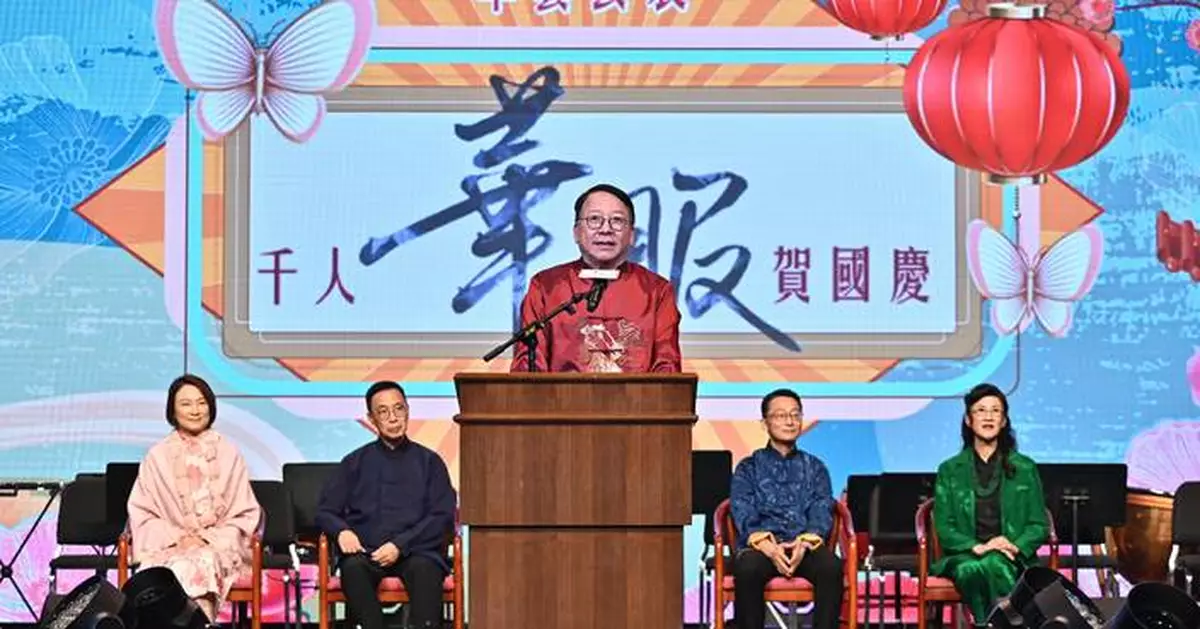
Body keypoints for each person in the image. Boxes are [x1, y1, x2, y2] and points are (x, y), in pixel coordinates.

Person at [316, 381, 457, 629]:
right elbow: (326, 511)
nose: (393, 418)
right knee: (353, 569)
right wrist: (342, 531)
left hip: (417, 550)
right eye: (383, 412)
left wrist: (400, 546)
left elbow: (441, 515)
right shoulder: (354, 463)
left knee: (426, 570)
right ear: (371, 419)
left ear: (408, 411)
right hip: (367, 552)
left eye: (399, 409)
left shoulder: (430, 462)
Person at [127, 374, 263, 622]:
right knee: (155, 576)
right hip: (169, 546)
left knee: (198, 565)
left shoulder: (228, 452)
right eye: (186, 404)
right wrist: (178, 538)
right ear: (173, 410)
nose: (195, 410)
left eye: (202, 403)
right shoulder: (157, 456)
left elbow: (245, 513)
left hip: (217, 547)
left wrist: (205, 538)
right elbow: (142, 513)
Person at [510, 183, 682, 373]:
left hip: (636, 400)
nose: (605, 229)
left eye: (617, 220)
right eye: (594, 219)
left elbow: (667, 366)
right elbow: (529, 364)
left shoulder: (657, 290)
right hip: (562, 400)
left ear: (631, 235)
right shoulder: (546, 286)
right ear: (576, 232)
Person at [932, 383, 1049, 625]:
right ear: (968, 420)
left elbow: (1038, 525)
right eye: (980, 410)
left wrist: (1014, 546)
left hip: (1011, 555)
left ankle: (986, 624)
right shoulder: (950, 470)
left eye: (996, 411)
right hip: (967, 555)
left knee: (993, 562)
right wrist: (978, 547)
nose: (988, 416)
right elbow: (945, 527)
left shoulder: (1025, 468)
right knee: (971, 568)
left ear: (1004, 421)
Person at [729, 389, 843, 629]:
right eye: (780, 415)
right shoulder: (748, 468)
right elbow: (742, 508)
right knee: (748, 569)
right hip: (763, 548)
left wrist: (803, 544)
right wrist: (770, 548)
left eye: (795, 414)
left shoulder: (815, 467)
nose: (789, 421)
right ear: (764, 423)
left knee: (831, 567)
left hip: (804, 546)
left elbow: (823, 507)